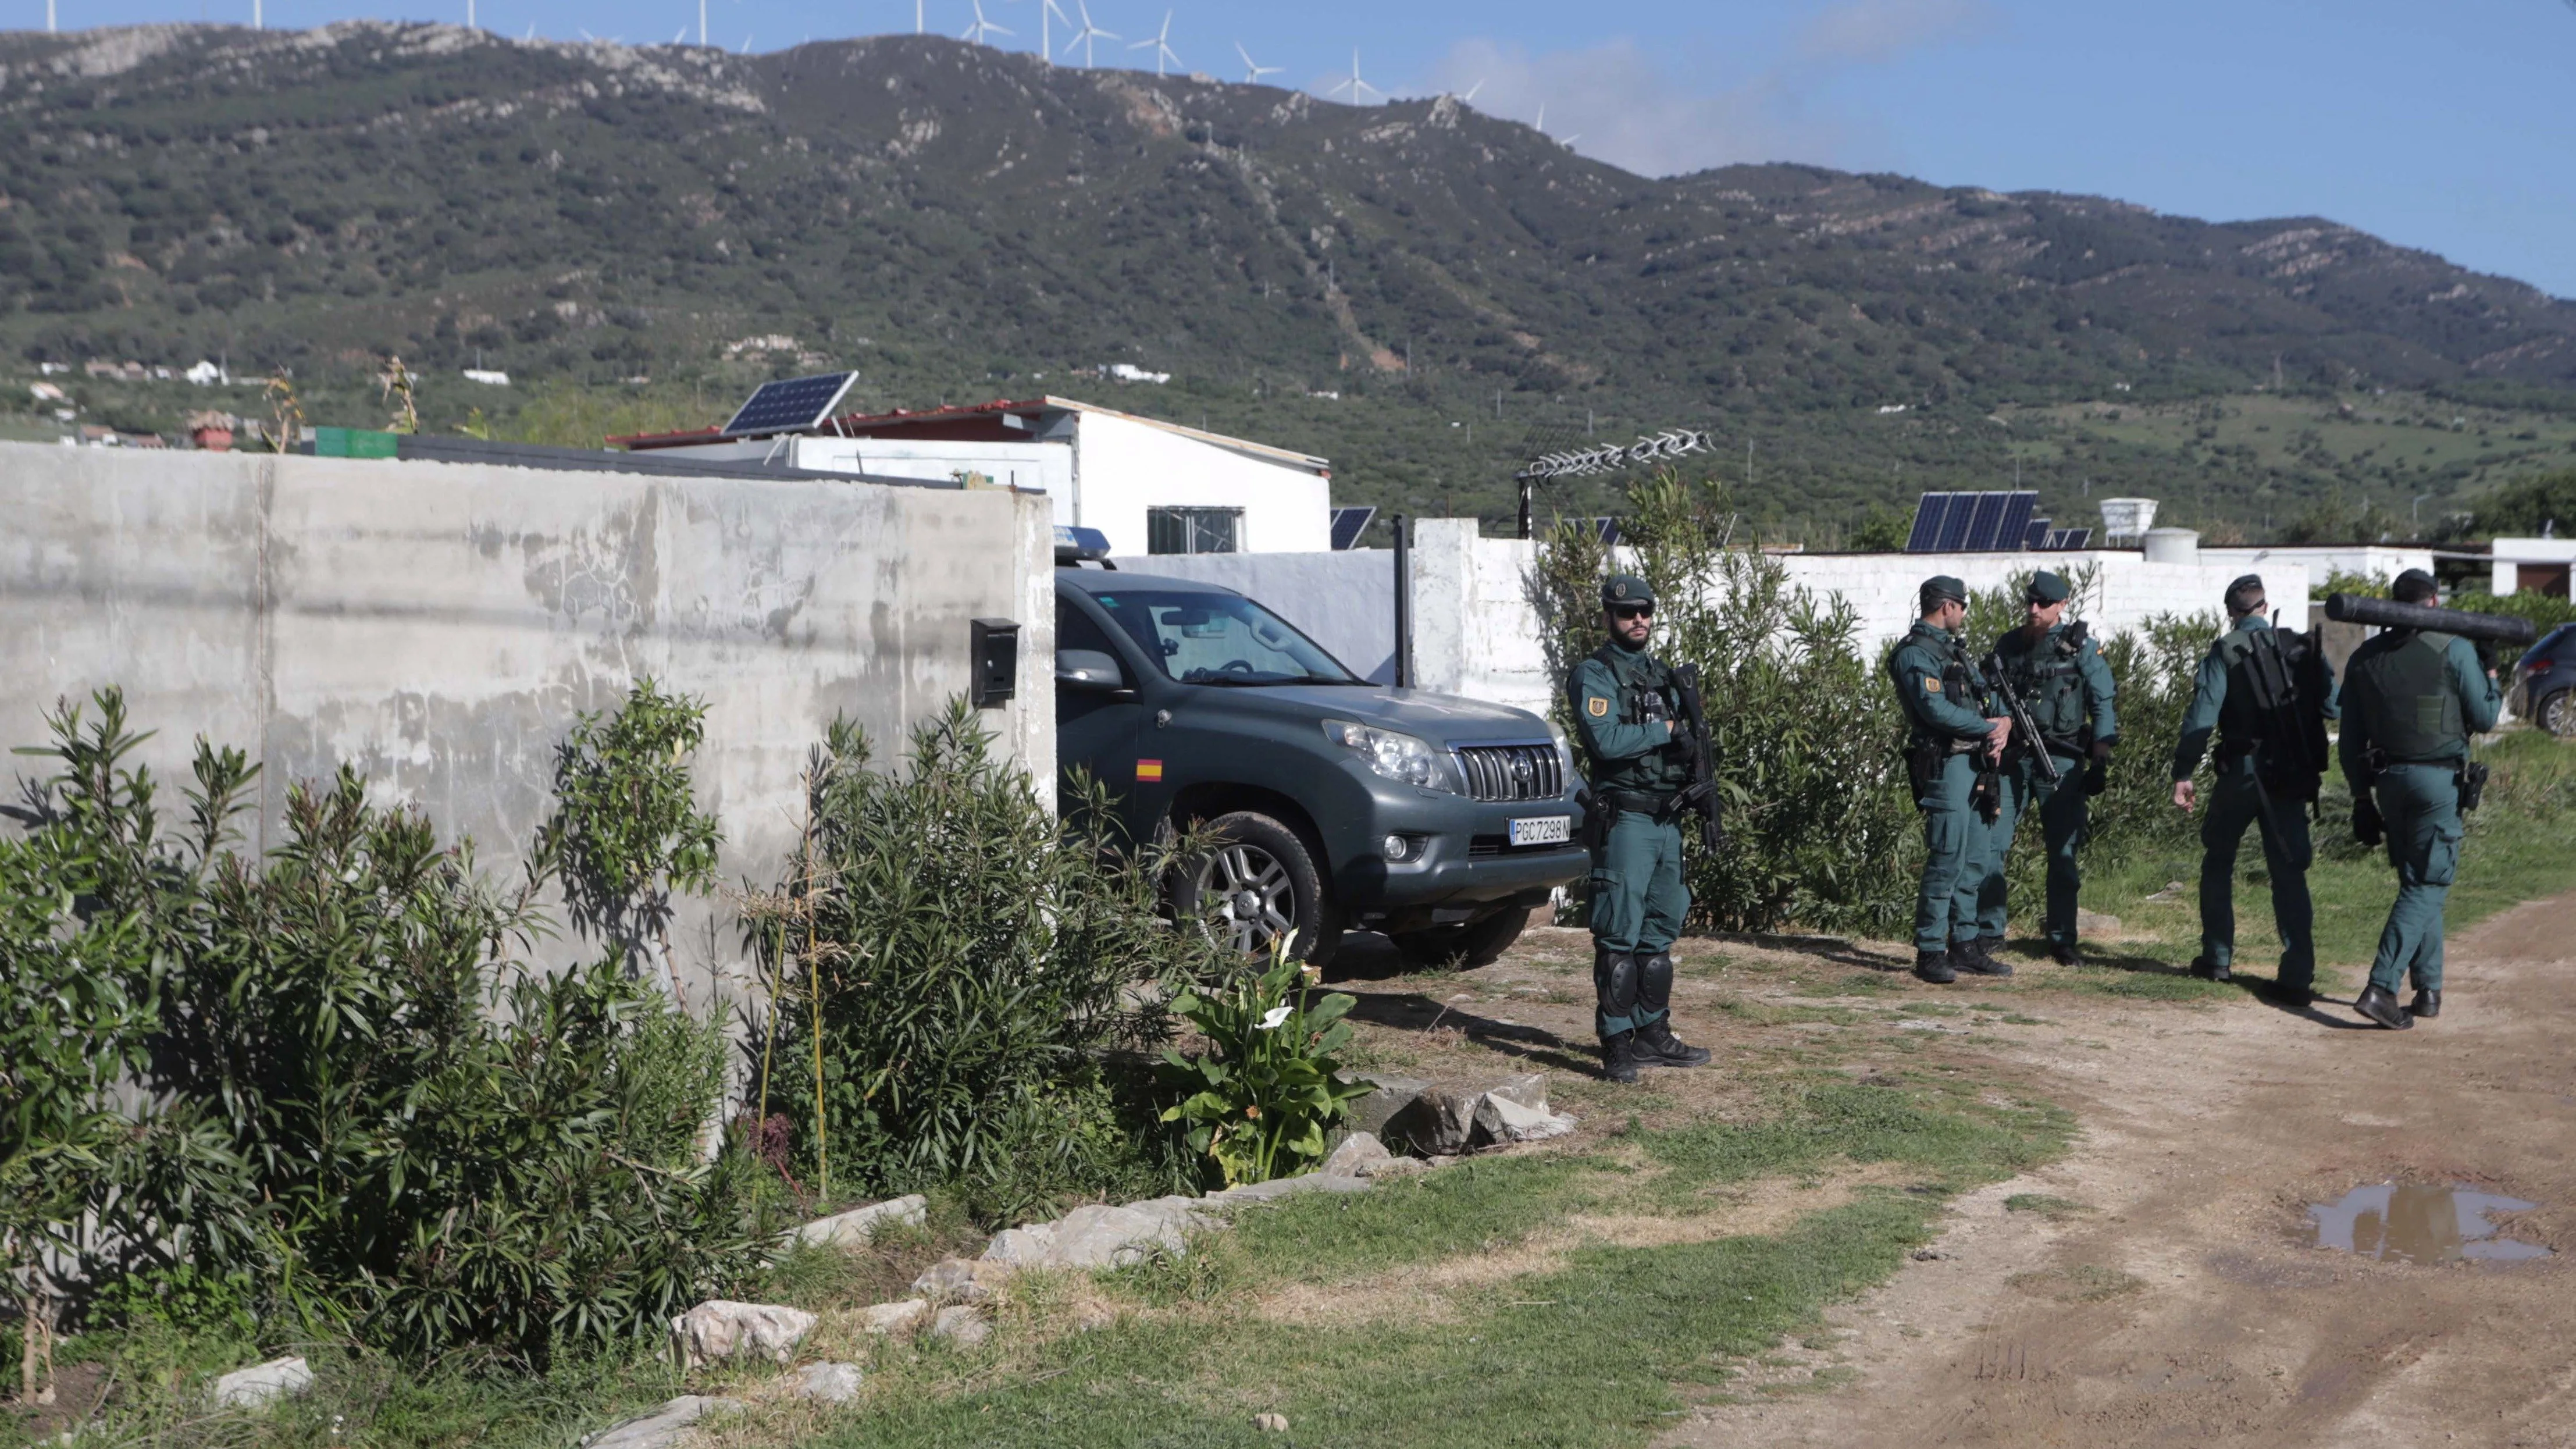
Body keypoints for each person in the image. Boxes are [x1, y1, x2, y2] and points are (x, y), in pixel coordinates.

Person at [2337, 569, 2502, 1030]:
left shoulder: (2364, 657)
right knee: (2427, 884)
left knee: (2418, 880)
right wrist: (2490, 669)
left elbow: (2348, 739)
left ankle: (2427, 991)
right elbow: (2486, 717)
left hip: (2388, 783)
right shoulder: (2453, 648)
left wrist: (2359, 799)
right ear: (2433, 602)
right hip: (2437, 783)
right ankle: (2380, 987)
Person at [1567, 574, 1715, 1083]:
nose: (1639, 620)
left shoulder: (1663, 674)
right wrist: (1668, 731)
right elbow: (1605, 740)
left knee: (1659, 935)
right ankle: (1614, 1041)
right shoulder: (1595, 673)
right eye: (1628, 612)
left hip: (1667, 815)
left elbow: (1690, 735)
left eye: (1645, 612)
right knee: (1619, 937)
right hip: (1627, 819)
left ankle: (1652, 1032)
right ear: (1609, 615)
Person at [2170, 574, 2335, 1003]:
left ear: (2231, 613)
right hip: (2291, 772)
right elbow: (2333, 705)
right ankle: (2297, 973)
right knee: (2288, 872)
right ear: (2265, 607)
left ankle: (2216, 957)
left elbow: (2202, 716)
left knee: (2218, 859)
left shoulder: (2225, 650)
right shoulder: (2301, 647)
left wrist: (2183, 772)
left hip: (2241, 772)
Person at [1976, 570, 2118, 966]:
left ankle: (2061, 938)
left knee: (2063, 852)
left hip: (2061, 756)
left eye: (2043, 603)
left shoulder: (2080, 648)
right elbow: (1987, 692)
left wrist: (2100, 759)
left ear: (2062, 605)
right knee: (1992, 844)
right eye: (2030, 602)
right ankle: (1988, 931)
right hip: (2011, 757)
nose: (2033, 609)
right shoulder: (2009, 644)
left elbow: (2103, 700)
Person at [1888, 575, 2013, 984]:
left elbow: (1984, 694)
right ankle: (1929, 949)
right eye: (1961, 606)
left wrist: (2002, 723)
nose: (1962, 613)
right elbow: (1934, 710)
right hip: (1946, 764)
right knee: (1946, 857)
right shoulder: (1915, 654)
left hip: (1975, 764)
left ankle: (1965, 943)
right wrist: (1985, 726)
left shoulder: (1953, 650)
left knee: (1975, 856)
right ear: (1948, 607)